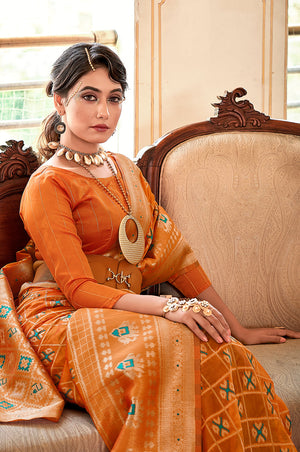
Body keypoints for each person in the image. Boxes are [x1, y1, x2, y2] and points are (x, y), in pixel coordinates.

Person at [6, 43, 299, 450]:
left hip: (122, 311)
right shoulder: (48, 184)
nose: (103, 112)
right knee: (172, 342)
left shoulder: (125, 169)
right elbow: (77, 289)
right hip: (62, 316)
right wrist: (171, 306)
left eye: (114, 98)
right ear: (60, 101)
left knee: (220, 348)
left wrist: (238, 328)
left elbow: (175, 257)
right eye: (88, 97)